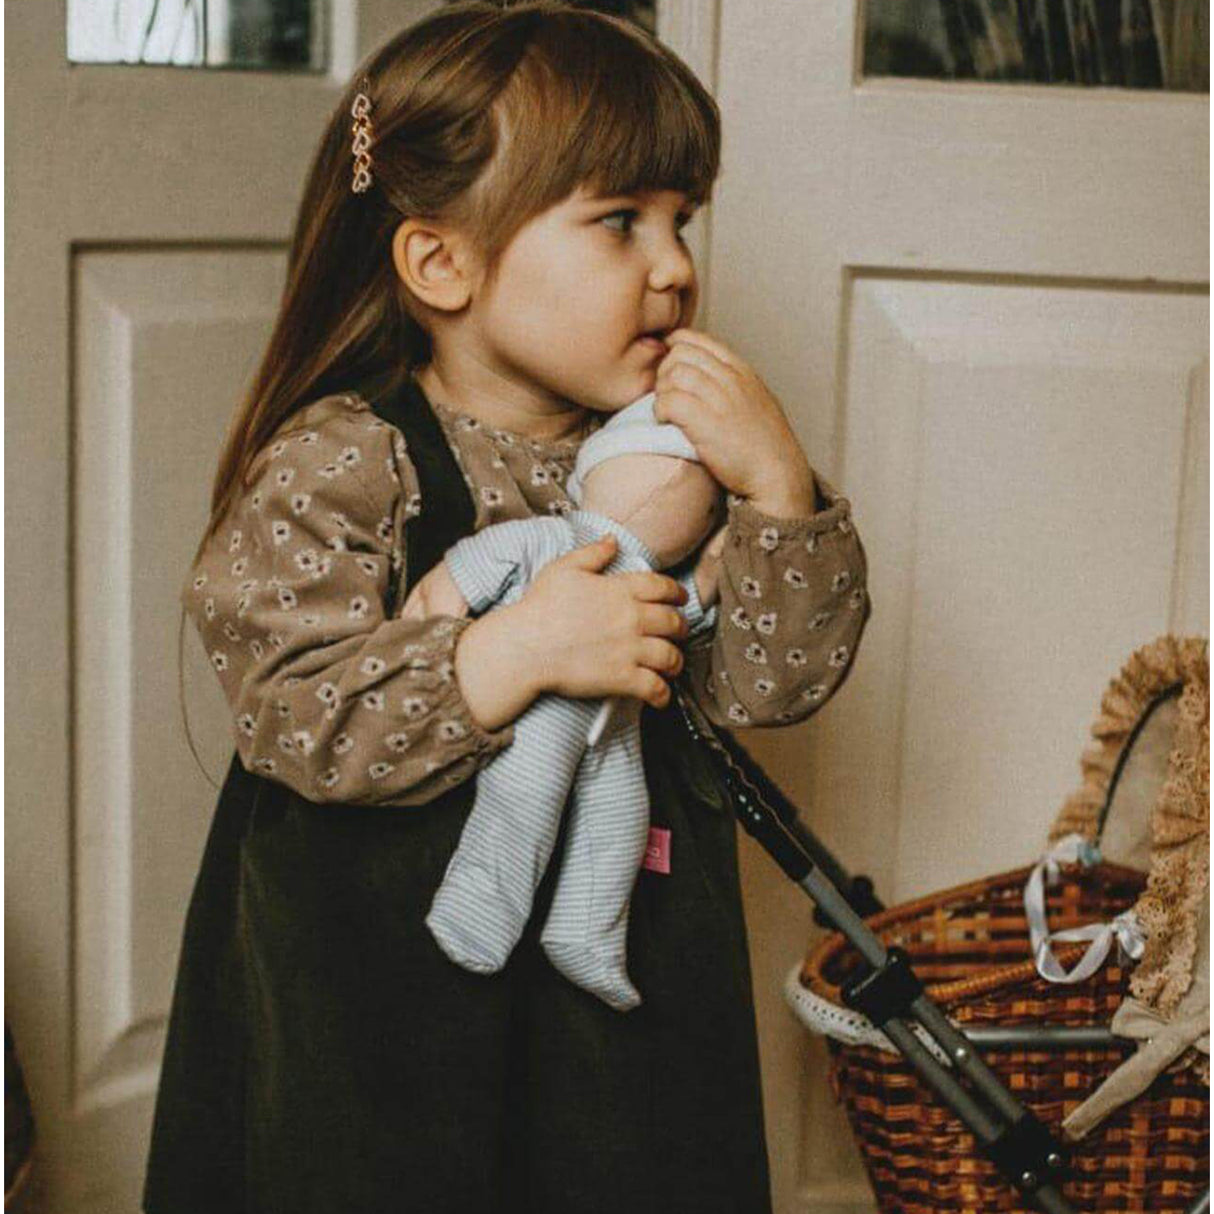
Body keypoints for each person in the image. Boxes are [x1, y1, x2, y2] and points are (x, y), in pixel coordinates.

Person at [143, 4, 871, 1213]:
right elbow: (289, 712)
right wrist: (512, 652)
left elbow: (771, 682)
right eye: (617, 222)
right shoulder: (344, 458)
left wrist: (777, 489)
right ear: (442, 262)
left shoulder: (669, 470)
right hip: (378, 1003)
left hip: (616, 979)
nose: (675, 265)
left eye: (679, 220)